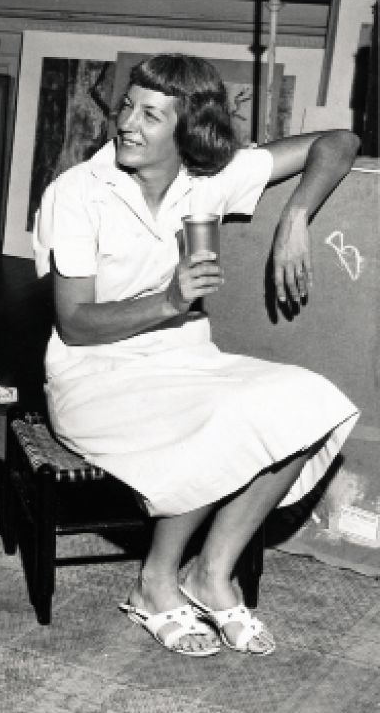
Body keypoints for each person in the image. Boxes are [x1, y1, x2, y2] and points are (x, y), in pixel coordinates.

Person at [33, 53, 360, 657]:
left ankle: (210, 571)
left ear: (188, 129)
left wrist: (296, 215)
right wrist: (170, 299)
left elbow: (340, 140)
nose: (128, 123)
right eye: (127, 106)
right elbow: (75, 325)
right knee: (222, 416)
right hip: (96, 376)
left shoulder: (211, 178)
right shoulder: (78, 193)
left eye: (151, 114)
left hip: (185, 359)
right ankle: (154, 585)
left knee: (310, 402)